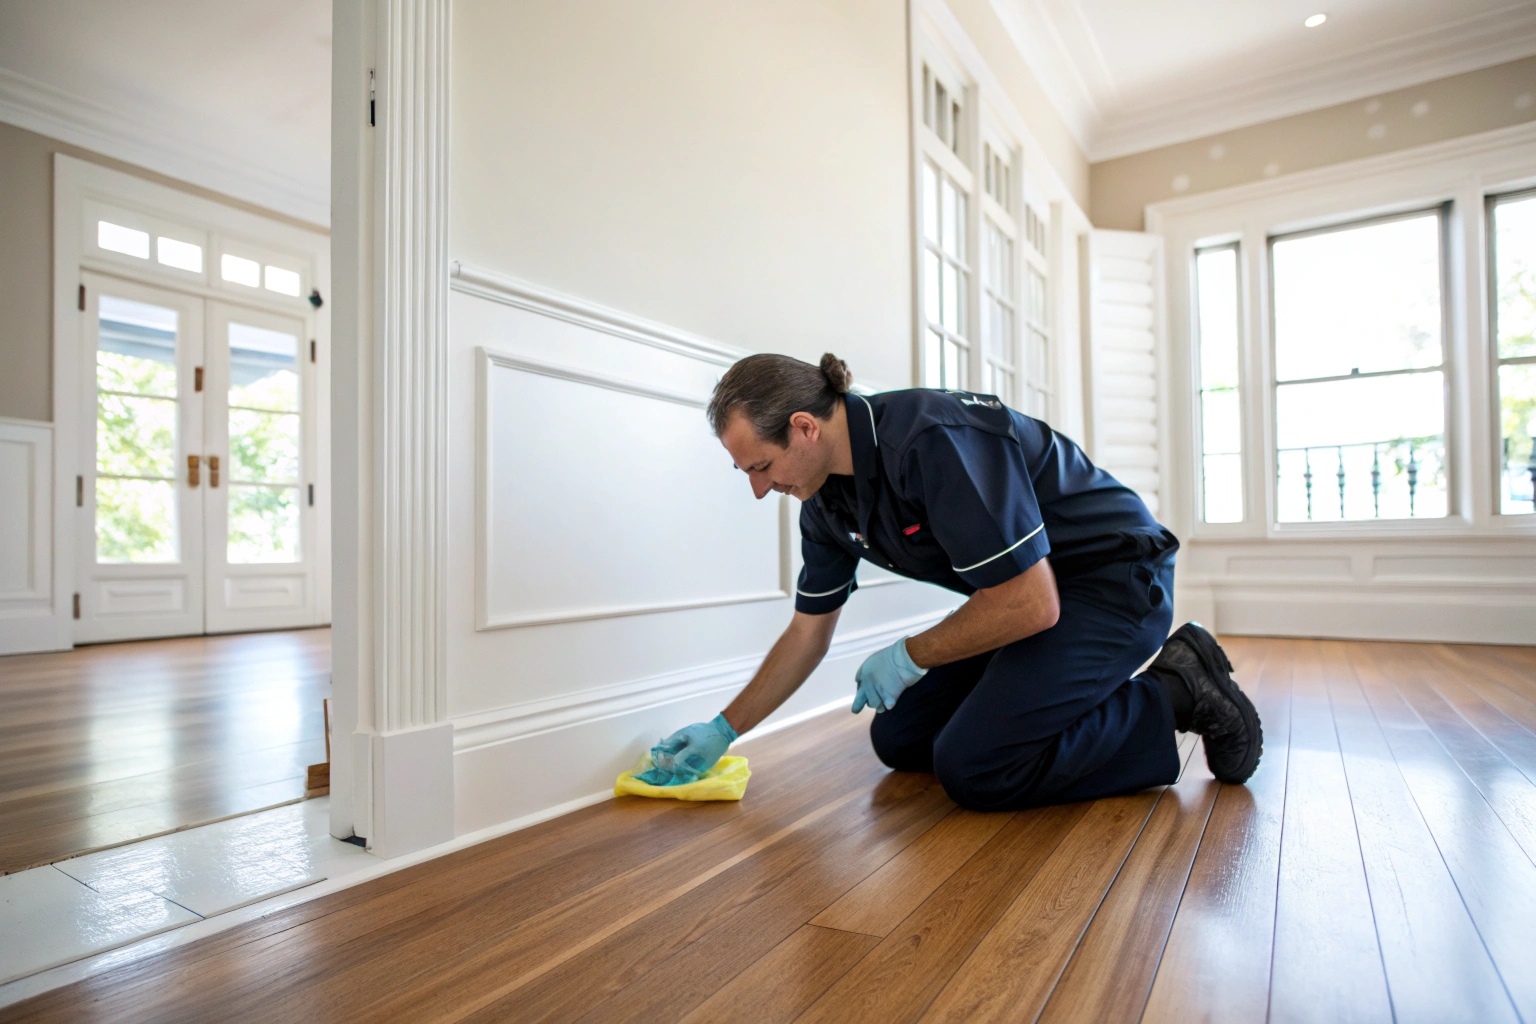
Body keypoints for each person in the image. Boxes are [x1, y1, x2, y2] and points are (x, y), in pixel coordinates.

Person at [642, 352, 1261, 810]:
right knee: (901, 738)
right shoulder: (825, 504)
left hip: (1113, 583)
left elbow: (1030, 600)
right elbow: (808, 632)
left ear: (804, 427)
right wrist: (726, 728)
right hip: (1032, 603)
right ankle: (1056, 694)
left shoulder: (931, 437)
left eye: (761, 466)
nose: (757, 487)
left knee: (977, 768)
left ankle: (1180, 687)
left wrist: (910, 654)